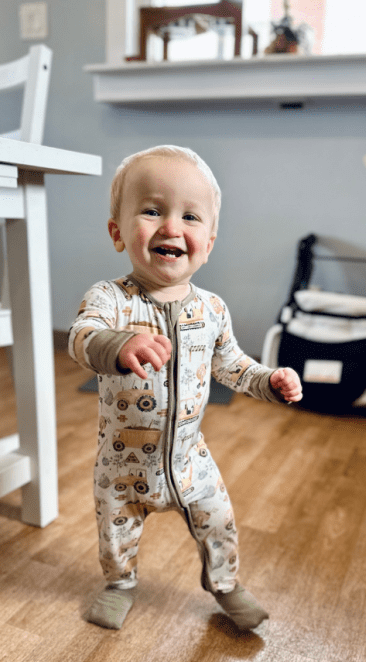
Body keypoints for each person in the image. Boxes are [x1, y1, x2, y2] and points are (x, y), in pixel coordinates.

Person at [69, 145, 302, 632]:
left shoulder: (212, 309)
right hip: (122, 462)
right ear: (117, 232)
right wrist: (118, 343)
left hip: (190, 459)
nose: (171, 227)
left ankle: (225, 584)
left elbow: (232, 366)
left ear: (209, 242)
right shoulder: (108, 298)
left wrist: (268, 381)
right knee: (116, 530)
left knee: (219, 522)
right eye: (152, 211)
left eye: (189, 217)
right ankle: (119, 583)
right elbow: (82, 337)